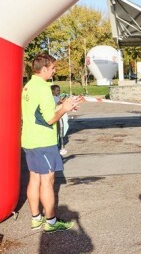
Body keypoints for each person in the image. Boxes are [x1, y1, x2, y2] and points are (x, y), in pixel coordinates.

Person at [22, 53, 83, 232]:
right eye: (53, 68)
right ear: (44, 68)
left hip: (29, 139)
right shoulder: (43, 88)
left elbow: (39, 113)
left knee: (34, 178)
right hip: (43, 142)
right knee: (47, 181)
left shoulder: (29, 86)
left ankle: (36, 219)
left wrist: (64, 105)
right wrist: (64, 109)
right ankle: (51, 222)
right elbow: (49, 119)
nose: (55, 70)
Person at [51, 85, 69, 155]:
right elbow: (59, 103)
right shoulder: (54, 98)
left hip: (58, 115)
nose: (59, 92)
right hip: (57, 116)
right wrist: (65, 101)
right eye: (57, 90)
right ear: (53, 91)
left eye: (59, 90)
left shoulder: (56, 97)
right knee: (59, 130)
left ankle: (58, 143)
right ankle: (59, 144)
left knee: (59, 130)